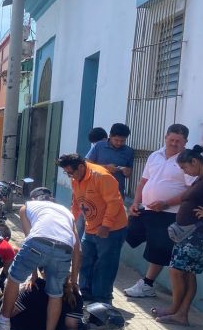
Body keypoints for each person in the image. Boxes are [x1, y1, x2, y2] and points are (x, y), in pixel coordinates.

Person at [0, 187, 80, 330]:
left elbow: (30, 238)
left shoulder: (27, 207)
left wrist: (32, 276)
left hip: (38, 242)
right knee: (56, 294)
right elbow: (77, 251)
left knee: (14, 278)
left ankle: (4, 319)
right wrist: (74, 280)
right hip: (64, 249)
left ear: (34, 199)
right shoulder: (68, 214)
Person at [125, 124, 195, 298]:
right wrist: (136, 202)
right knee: (127, 233)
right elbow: (143, 181)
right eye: (171, 139)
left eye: (178, 141)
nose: (173, 143)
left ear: (185, 141)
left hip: (170, 212)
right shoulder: (155, 155)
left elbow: (191, 190)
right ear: (165, 137)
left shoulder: (188, 159)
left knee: (158, 248)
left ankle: (147, 285)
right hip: (147, 208)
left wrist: (166, 203)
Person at [58, 153, 128, 304]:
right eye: (67, 173)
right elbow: (76, 203)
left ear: (81, 167)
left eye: (71, 172)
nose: (70, 176)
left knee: (105, 264)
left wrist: (106, 225)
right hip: (91, 227)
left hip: (111, 229)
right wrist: (69, 222)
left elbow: (114, 202)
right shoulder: (76, 179)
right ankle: (85, 294)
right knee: (85, 260)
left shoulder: (102, 176)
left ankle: (102, 299)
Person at [153, 145, 203, 326]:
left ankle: (175, 309)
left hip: (199, 234)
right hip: (188, 233)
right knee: (187, 273)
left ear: (194, 161)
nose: (185, 171)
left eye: (185, 167)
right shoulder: (201, 178)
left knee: (177, 270)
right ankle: (181, 314)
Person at [9, 274, 84, 330]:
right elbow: (71, 323)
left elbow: (12, 312)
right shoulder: (74, 295)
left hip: (23, 326)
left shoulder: (35, 285)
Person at [87, 123, 135, 197]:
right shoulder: (99, 146)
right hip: (96, 191)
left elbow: (129, 172)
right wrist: (105, 167)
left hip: (117, 193)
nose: (119, 143)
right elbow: (86, 165)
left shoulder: (129, 151)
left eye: (122, 141)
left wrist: (127, 172)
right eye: (116, 140)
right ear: (110, 136)